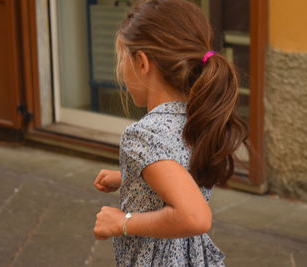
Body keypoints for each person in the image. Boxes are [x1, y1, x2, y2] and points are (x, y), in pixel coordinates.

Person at [93, 0, 248, 266]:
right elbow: (180, 171)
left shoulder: (143, 136)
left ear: (142, 63)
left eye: (123, 60)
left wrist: (122, 222)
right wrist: (129, 177)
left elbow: (195, 217)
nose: (121, 72)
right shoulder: (197, 116)